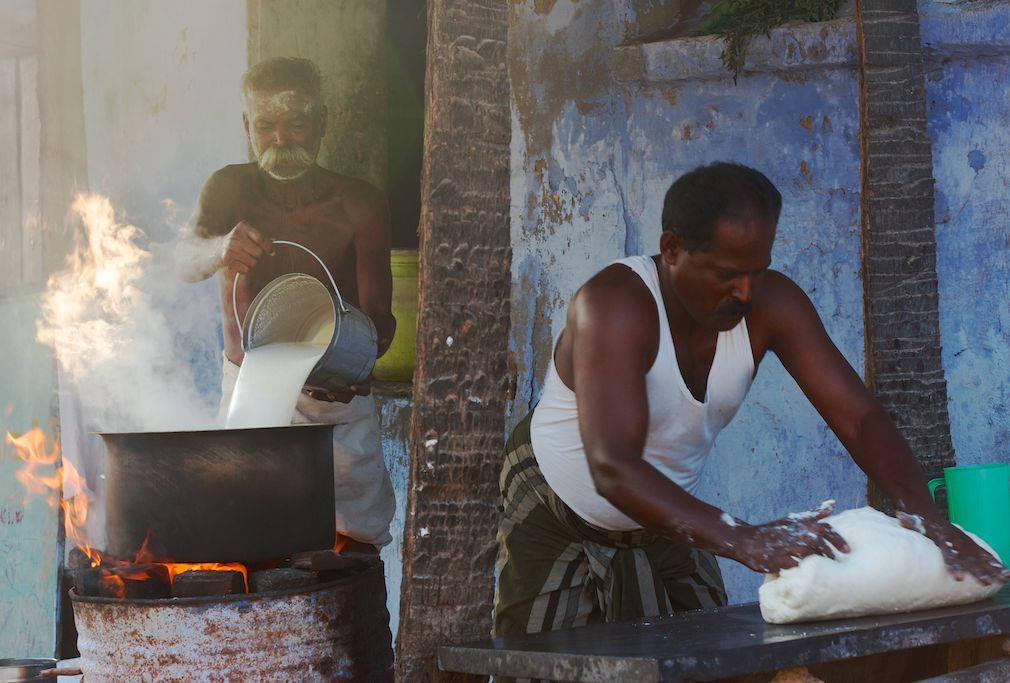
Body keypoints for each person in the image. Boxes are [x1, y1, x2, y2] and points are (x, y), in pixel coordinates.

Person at [493, 162, 1010, 639]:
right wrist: (744, 539)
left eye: (757, 270)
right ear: (671, 248)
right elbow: (614, 468)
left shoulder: (772, 306)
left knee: (707, 659)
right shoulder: (614, 306)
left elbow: (859, 418)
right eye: (725, 273)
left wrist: (927, 518)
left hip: (665, 510)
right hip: (556, 503)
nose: (744, 291)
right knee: (543, 662)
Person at [178, 57, 396, 554]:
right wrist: (219, 249)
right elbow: (183, 260)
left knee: (353, 543)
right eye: (266, 126)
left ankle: (359, 625)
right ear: (247, 127)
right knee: (244, 542)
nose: (280, 141)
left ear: (323, 123)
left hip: (334, 399)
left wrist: (360, 360)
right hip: (250, 393)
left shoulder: (358, 203)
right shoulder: (228, 189)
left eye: (296, 125)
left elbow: (379, 316)